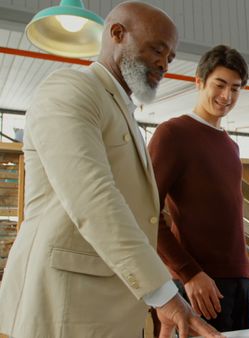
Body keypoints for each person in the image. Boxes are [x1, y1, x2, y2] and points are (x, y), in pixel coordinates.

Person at [0, 2, 222, 338]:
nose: (163, 63)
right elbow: (92, 197)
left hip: (112, 311)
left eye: (170, 58)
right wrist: (164, 294)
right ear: (117, 34)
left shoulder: (123, 113)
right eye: (156, 49)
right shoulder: (70, 89)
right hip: (64, 306)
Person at [148, 45, 249, 332]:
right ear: (199, 81)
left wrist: (246, 278)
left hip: (240, 282)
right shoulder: (173, 134)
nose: (226, 96)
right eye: (219, 85)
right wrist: (189, 273)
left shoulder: (231, 146)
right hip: (198, 285)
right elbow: (144, 214)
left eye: (235, 88)